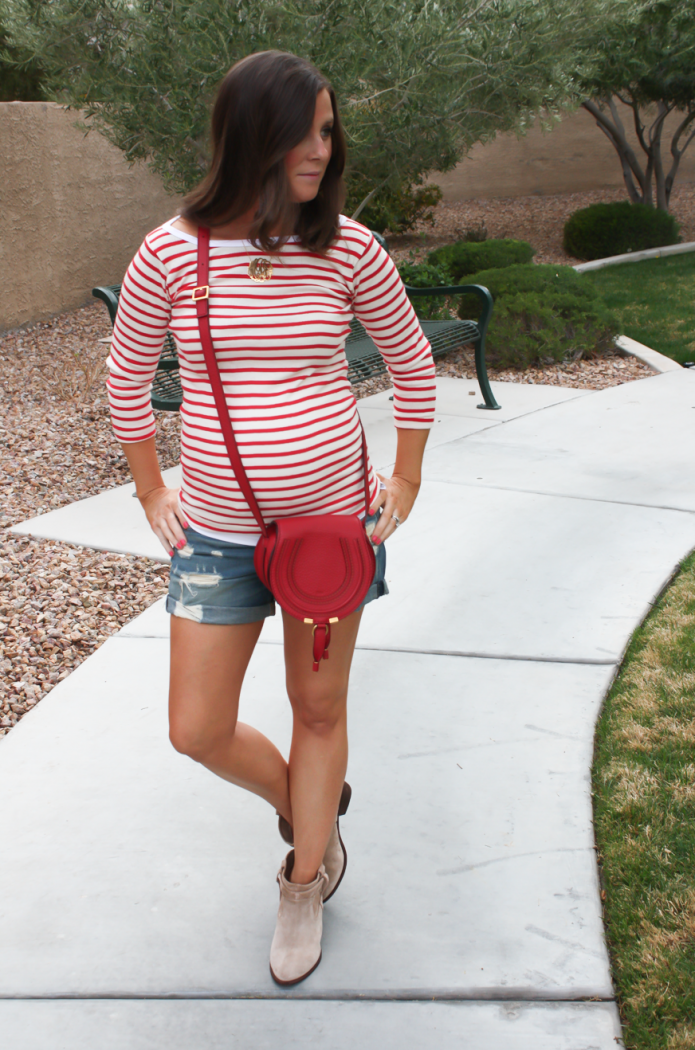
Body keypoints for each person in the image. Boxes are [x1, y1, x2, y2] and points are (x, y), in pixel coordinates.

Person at [106, 50, 436, 985]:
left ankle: (304, 878)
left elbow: (412, 367)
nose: (323, 151)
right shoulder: (173, 251)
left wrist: (404, 482)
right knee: (195, 728)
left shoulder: (350, 248)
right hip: (215, 532)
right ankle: (305, 807)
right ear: (252, 131)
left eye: (330, 132)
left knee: (317, 708)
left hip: (332, 534)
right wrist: (149, 489)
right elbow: (127, 378)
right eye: (308, 130)